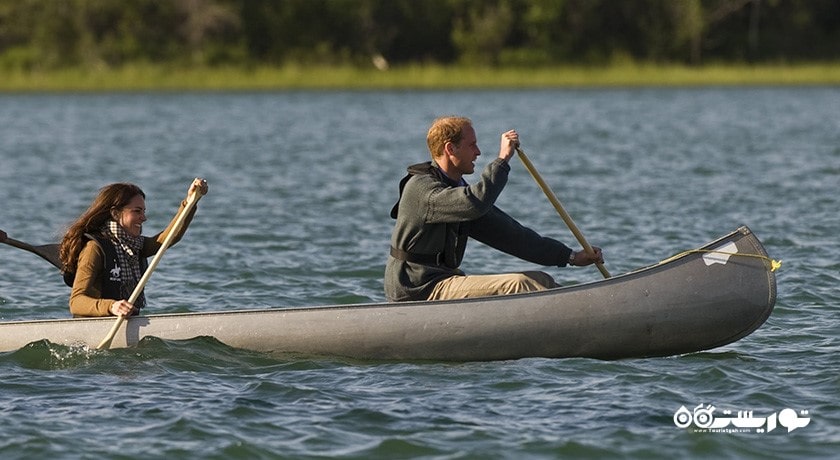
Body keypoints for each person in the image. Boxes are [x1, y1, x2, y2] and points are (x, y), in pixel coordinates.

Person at [384, 116, 603, 302]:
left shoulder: (457, 192)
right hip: (416, 289)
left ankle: (587, 314)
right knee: (521, 285)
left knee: (541, 280)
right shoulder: (424, 190)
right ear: (450, 148)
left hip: (441, 281)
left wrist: (571, 257)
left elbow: (513, 237)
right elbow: (475, 201)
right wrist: (502, 160)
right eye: (472, 145)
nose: (478, 152)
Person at [59, 178, 209, 317]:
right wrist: (112, 307)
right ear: (115, 213)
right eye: (137, 211)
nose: (143, 218)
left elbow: (170, 237)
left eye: (143, 212)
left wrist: (191, 201)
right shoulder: (94, 248)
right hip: (94, 326)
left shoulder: (136, 247)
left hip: (125, 322)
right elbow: (76, 302)